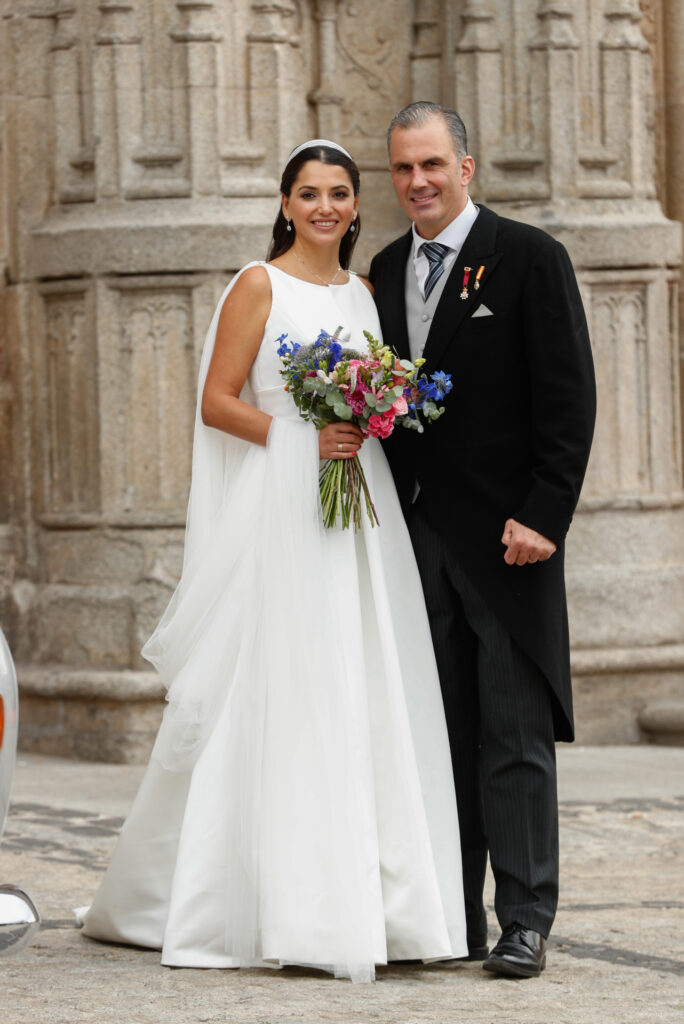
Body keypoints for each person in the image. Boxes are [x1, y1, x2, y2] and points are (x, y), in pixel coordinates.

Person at [76, 139, 468, 983]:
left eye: (339, 194)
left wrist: (367, 419)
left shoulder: (366, 293)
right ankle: (264, 899)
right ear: (285, 204)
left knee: (364, 680)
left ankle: (380, 903)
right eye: (308, 194)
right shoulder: (258, 285)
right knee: (285, 682)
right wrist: (300, 432)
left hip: (357, 512)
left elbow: (383, 402)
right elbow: (218, 402)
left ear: (358, 208)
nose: (325, 207)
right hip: (285, 508)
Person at [369, 102, 596, 979]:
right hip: (417, 536)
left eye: (431, 164)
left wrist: (546, 512)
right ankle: (452, 916)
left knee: (512, 732)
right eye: (402, 169)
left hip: (510, 542)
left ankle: (525, 917)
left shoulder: (531, 257)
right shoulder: (387, 269)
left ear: (468, 165)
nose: (417, 182)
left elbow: (569, 397)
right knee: (440, 731)